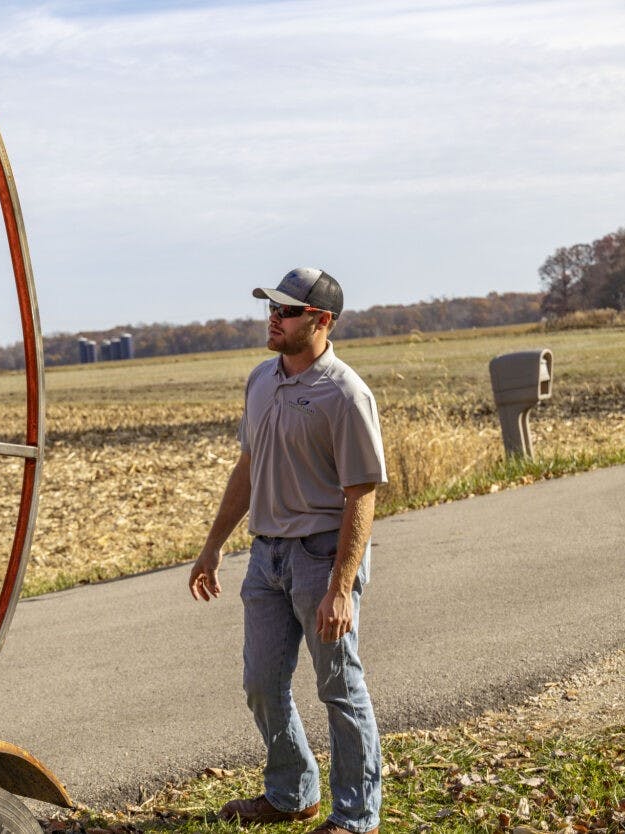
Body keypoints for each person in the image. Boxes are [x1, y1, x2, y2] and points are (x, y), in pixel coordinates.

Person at [188, 268, 386, 834]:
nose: (274, 318)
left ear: (321, 321)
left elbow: (361, 495)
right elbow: (248, 468)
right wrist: (212, 547)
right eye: (271, 308)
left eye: (288, 310)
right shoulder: (260, 380)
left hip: (323, 558)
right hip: (265, 558)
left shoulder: (345, 393)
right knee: (260, 683)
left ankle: (355, 817)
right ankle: (291, 792)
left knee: (339, 688)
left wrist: (341, 588)